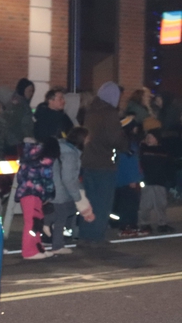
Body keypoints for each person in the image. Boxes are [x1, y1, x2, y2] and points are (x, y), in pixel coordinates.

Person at [79, 81, 128, 244]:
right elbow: (115, 138)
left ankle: (85, 234)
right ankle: (96, 236)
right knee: (103, 202)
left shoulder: (91, 111)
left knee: (90, 200)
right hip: (104, 162)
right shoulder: (109, 113)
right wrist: (125, 144)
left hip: (88, 160)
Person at [47, 127, 94, 254]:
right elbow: (68, 178)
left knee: (69, 210)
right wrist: (77, 196)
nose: (89, 140)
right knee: (62, 215)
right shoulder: (70, 154)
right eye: (88, 138)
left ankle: (45, 221)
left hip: (58, 186)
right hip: (59, 188)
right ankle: (57, 245)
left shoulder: (65, 149)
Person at [14, 139, 57, 259]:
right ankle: (29, 251)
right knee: (33, 223)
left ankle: (38, 249)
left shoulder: (28, 156)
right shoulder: (46, 159)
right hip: (35, 193)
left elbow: (20, 176)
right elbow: (47, 179)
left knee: (35, 222)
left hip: (25, 192)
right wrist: (49, 194)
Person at [138, 120, 175, 233]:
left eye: (151, 137)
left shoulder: (163, 151)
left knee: (161, 204)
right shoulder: (143, 150)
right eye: (148, 137)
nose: (149, 139)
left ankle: (162, 223)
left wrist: (170, 180)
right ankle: (144, 224)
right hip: (148, 181)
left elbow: (169, 166)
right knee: (145, 204)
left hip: (160, 181)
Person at [113, 123, 143, 237]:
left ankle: (130, 224)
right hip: (128, 180)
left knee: (126, 203)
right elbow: (131, 163)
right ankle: (127, 225)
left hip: (120, 180)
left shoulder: (120, 144)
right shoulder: (129, 145)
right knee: (130, 203)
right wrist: (133, 179)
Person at [0, 78, 36, 154]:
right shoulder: (18, 105)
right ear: (23, 90)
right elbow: (12, 125)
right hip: (16, 143)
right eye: (29, 90)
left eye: (32, 91)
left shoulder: (24, 105)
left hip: (19, 142)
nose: (31, 93)